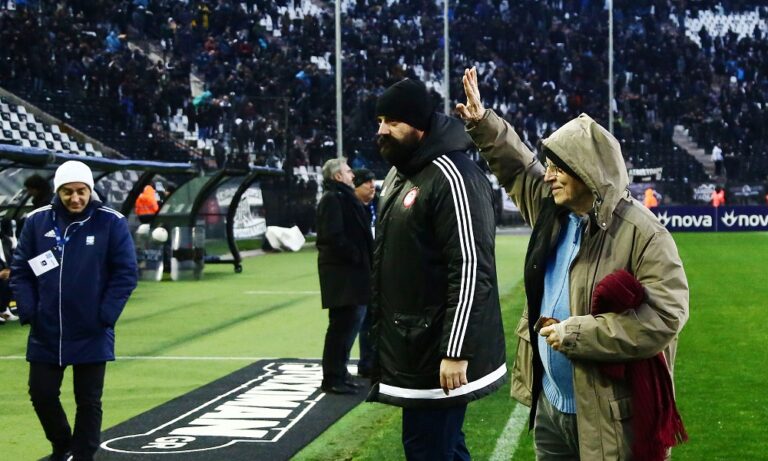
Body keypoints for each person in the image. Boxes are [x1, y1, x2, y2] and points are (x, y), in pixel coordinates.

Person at [457, 66, 689, 460]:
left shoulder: (644, 233)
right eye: (548, 166)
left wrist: (576, 333)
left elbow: (665, 317)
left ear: (587, 172)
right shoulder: (552, 211)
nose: (547, 176)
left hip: (606, 415)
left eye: (557, 167)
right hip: (550, 407)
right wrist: (483, 123)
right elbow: (519, 168)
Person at [369, 78, 507, 460]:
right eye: (380, 121)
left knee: (427, 448)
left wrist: (455, 350)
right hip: (414, 343)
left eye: (393, 122)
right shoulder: (400, 173)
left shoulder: (453, 175)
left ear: (419, 125)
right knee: (441, 448)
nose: (382, 130)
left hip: (439, 348)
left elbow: (471, 268)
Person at [10, 160, 138, 461]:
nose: (75, 198)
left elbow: (125, 274)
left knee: (88, 400)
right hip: (46, 329)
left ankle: (83, 455)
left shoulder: (111, 222)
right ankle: (62, 445)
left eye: (81, 191)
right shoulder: (37, 221)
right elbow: (21, 270)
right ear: (58, 191)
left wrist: (105, 316)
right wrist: (30, 311)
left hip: (92, 329)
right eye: (67, 192)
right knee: (41, 394)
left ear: (90, 190)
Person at [316, 158, 373, 394]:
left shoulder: (343, 198)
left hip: (350, 275)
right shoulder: (333, 199)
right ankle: (332, 377)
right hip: (344, 276)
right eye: (348, 171)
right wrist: (357, 256)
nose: (352, 175)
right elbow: (332, 237)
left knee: (348, 326)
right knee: (342, 327)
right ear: (338, 176)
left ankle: (340, 372)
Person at [351, 168, 377, 378]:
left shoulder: (375, 206)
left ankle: (371, 362)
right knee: (360, 321)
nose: (372, 186)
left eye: (372, 182)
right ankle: (366, 363)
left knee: (372, 320)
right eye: (367, 182)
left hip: (376, 270)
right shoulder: (352, 209)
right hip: (359, 274)